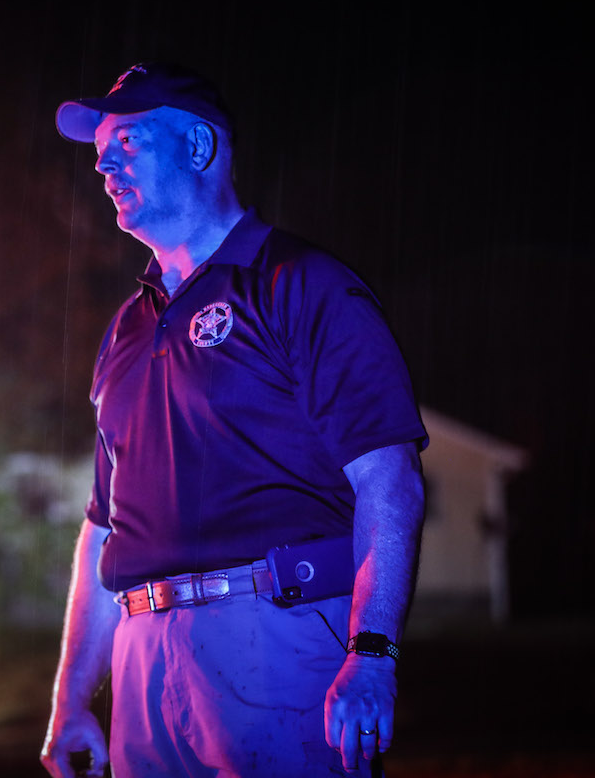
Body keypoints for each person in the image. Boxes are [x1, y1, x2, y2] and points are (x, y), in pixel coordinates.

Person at [40, 63, 427, 777]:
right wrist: (69, 699)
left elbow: (389, 477)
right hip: (142, 660)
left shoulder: (303, 284)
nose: (103, 161)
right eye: (99, 151)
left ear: (198, 147)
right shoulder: (126, 329)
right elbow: (103, 526)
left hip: (276, 638)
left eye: (126, 139)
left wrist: (372, 654)